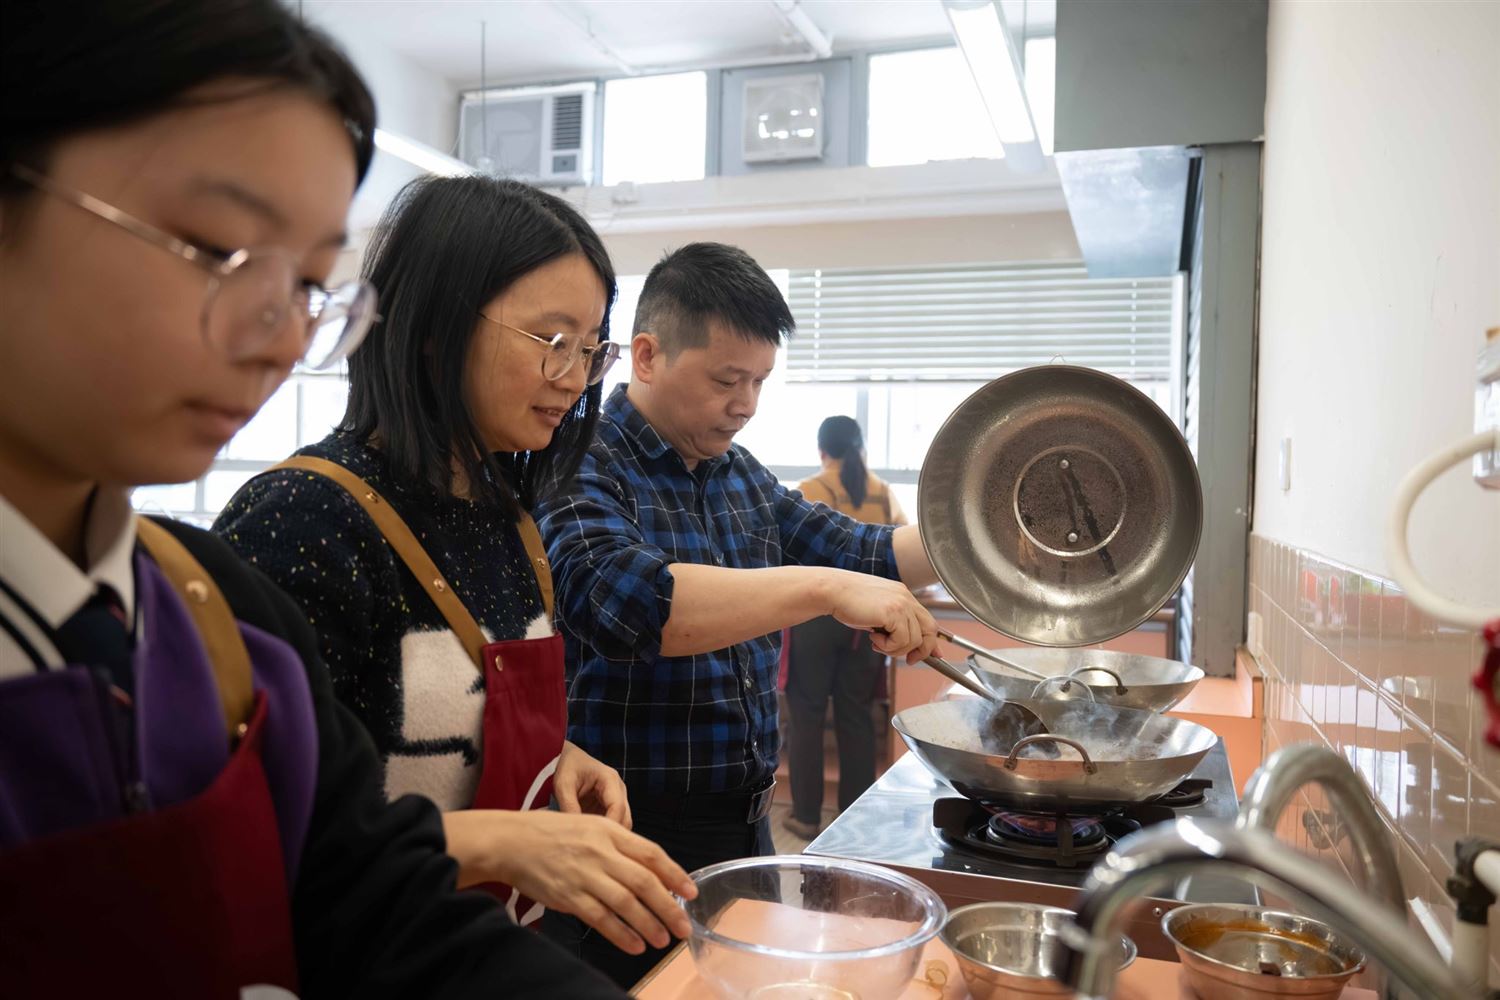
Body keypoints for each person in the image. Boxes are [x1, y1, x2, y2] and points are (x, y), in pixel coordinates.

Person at [0, 1, 621, 995]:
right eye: (217, 248)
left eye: (309, 284)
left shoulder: (216, 607)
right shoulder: (301, 524)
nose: (284, 336)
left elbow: (376, 895)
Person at [213, 174, 697, 962]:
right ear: (436, 326)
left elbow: (457, 719)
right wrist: (507, 841)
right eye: (552, 341)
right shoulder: (308, 517)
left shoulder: (508, 515)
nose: (575, 378)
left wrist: (557, 759)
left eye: (589, 349)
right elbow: (266, 818)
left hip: (483, 945)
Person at [536, 242, 942, 986]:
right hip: (629, 828)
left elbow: (865, 551)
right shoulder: (581, 455)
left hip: (745, 822)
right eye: (727, 380)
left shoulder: (738, 473)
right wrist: (824, 590)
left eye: (759, 381)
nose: (746, 404)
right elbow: (624, 599)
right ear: (647, 356)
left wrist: (982, 539)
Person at [783, 416, 909, 841]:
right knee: (857, 717)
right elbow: (899, 548)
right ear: (860, 448)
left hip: (816, 620)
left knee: (807, 715)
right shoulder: (882, 491)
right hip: (868, 623)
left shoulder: (809, 489)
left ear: (822, 450)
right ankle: (853, 821)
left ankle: (805, 817)